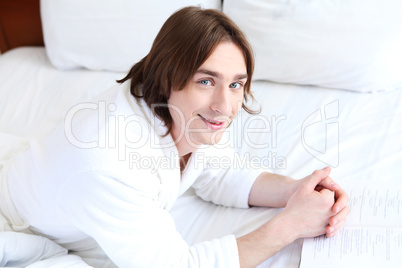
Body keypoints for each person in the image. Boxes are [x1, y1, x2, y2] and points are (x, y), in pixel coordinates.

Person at [1, 6, 349, 268]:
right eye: (205, 81)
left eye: (235, 84)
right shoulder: (109, 163)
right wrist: (289, 226)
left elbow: (220, 172)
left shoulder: (177, 114)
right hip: (21, 226)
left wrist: (298, 191)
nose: (225, 106)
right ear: (168, 77)